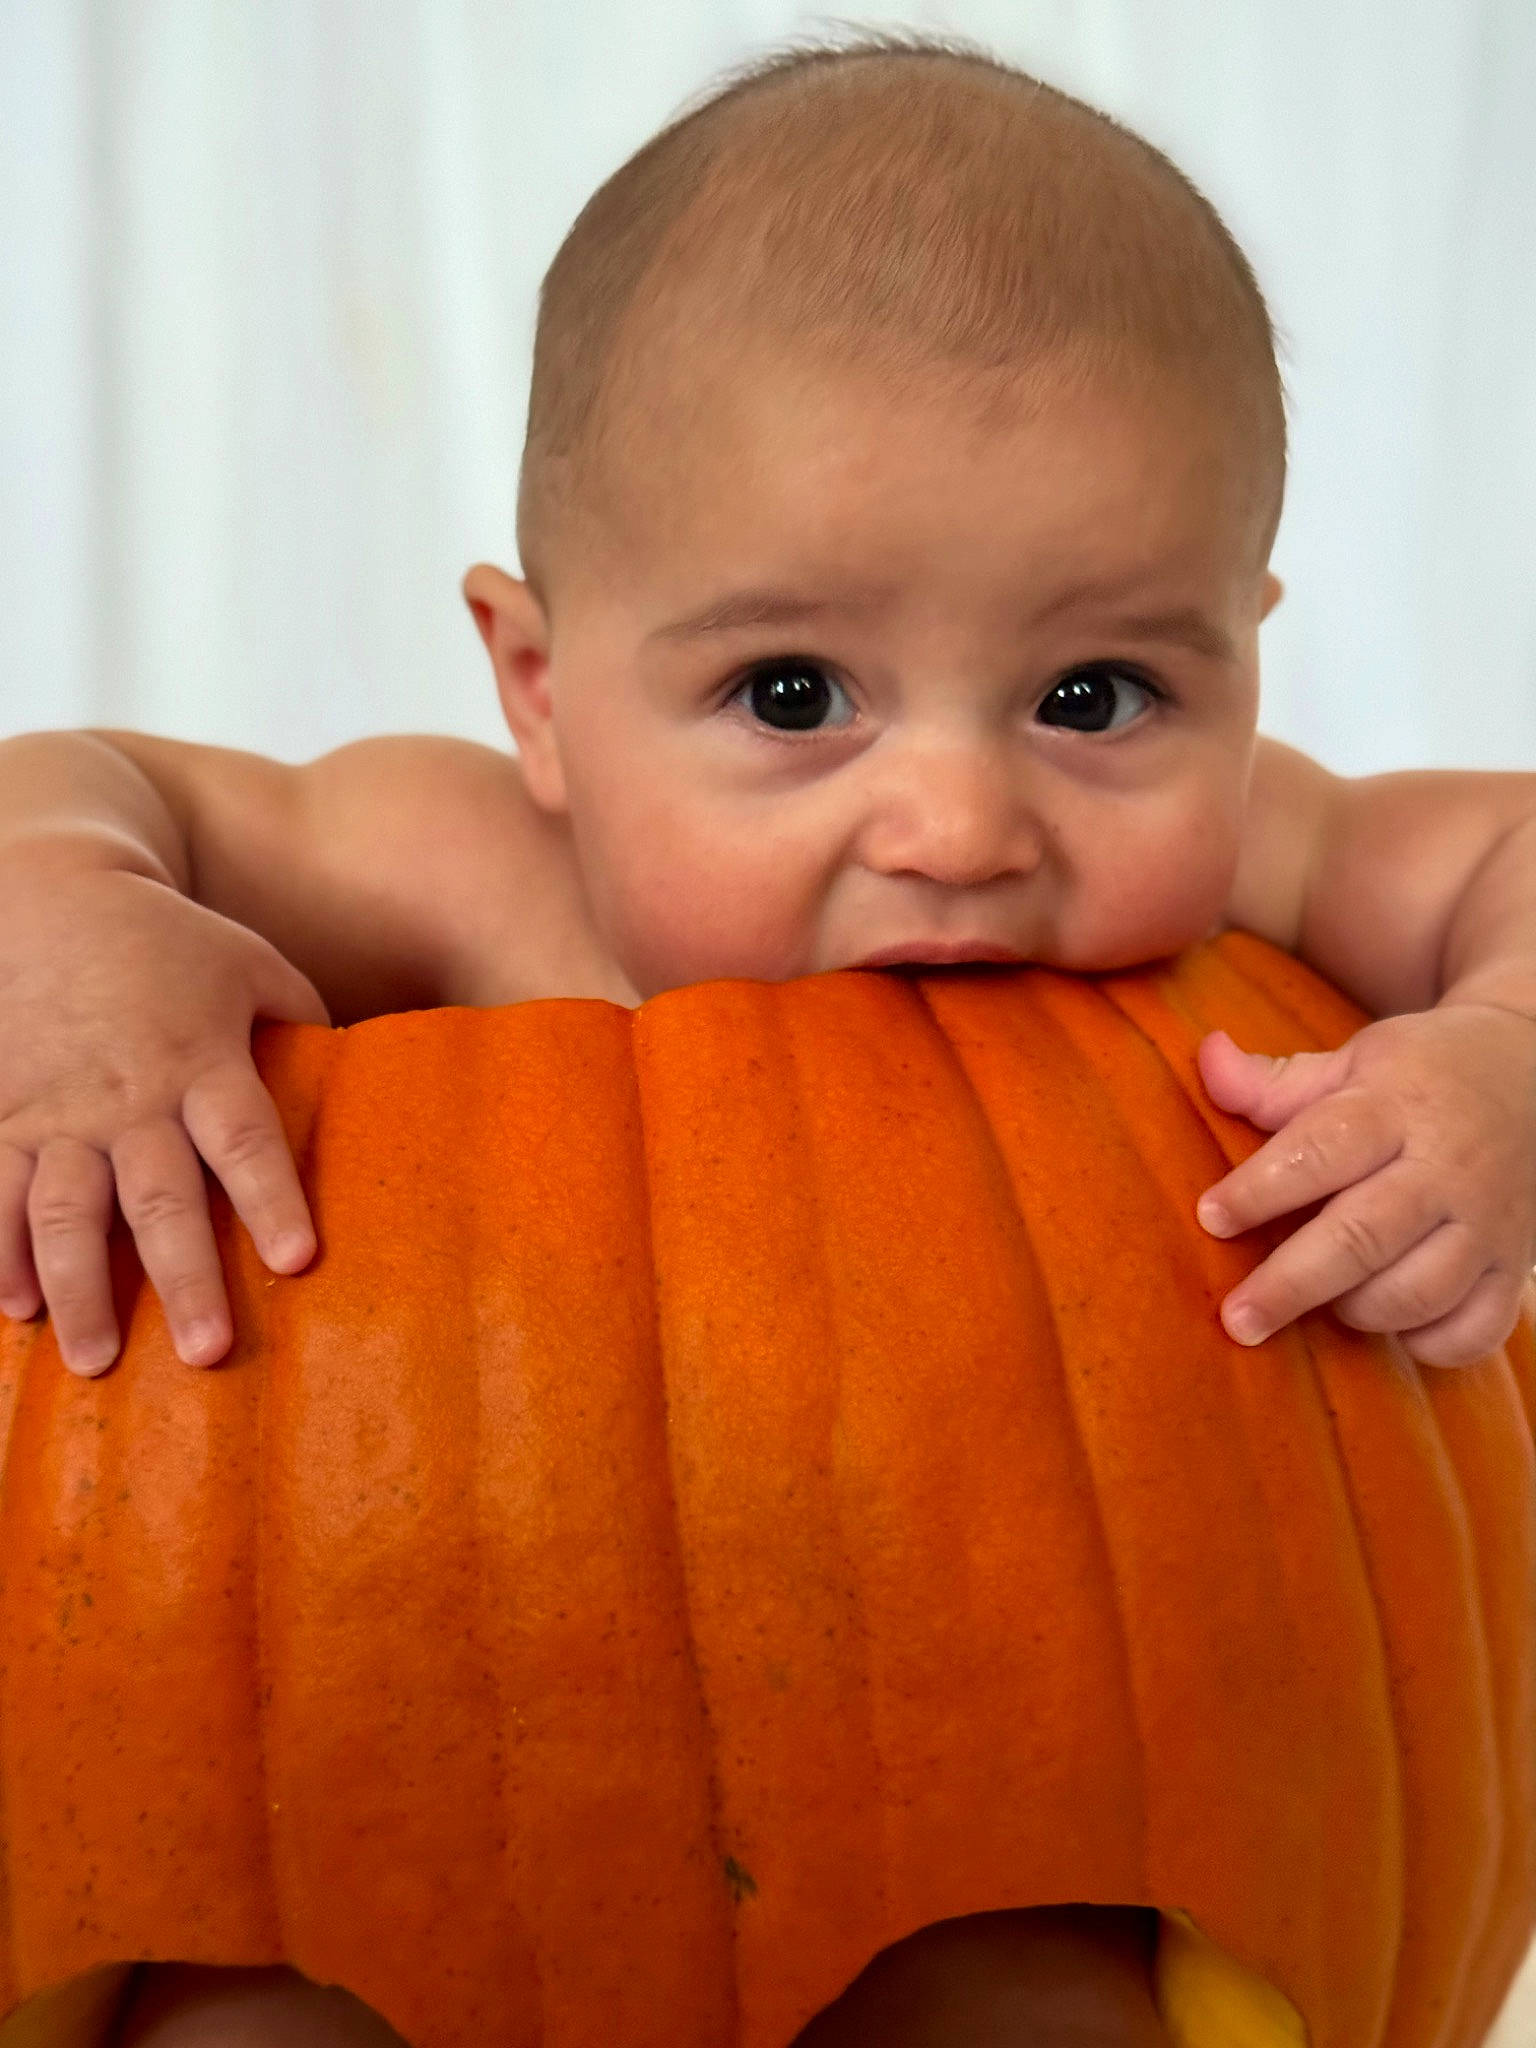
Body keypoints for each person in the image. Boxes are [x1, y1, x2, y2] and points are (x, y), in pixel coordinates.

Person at [1, 30, 1532, 2048]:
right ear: (543, 691)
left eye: (1096, 695)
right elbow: (84, 786)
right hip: (402, 1769)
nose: (962, 829)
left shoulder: (1257, 881)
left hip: (1022, 1796)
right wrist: (83, 936)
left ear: (1244, 644)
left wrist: (1502, 1055)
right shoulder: (465, 864)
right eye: (797, 691)